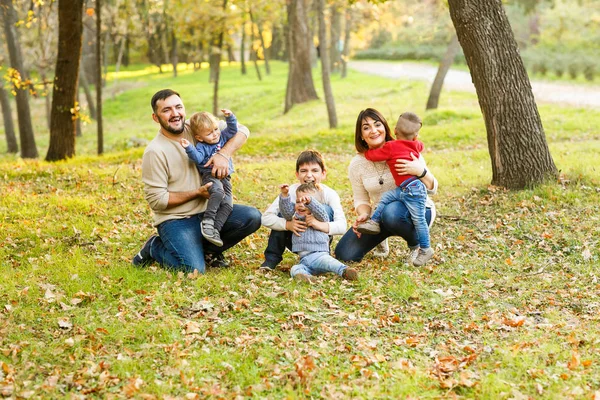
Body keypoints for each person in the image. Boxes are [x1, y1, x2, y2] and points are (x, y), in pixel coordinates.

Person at [132, 89, 261, 273]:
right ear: (155, 117)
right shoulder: (155, 151)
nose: (175, 113)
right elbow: (157, 201)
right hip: (177, 220)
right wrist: (197, 193)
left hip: (209, 212)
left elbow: (242, 130)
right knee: (193, 270)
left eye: (178, 107)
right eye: (167, 110)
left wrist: (223, 154)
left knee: (252, 217)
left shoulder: (196, 129)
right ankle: (155, 246)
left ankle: (209, 251)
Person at [334, 108, 438, 265]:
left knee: (392, 211)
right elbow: (361, 198)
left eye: (377, 125)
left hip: (416, 211)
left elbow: (432, 188)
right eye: (366, 127)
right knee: (344, 253)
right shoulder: (357, 164)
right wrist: (363, 215)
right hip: (381, 215)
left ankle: (417, 246)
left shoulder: (405, 148)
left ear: (386, 128)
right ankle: (380, 239)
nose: (373, 130)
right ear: (361, 135)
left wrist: (421, 171)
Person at [260, 150, 347, 270]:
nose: (309, 175)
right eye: (304, 171)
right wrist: (287, 225)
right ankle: (271, 260)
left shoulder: (329, 194)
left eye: (315, 170)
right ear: (297, 174)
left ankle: (319, 255)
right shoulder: (290, 191)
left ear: (323, 173)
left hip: (318, 241)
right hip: (295, 238)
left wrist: (318, 224)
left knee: (325, 209)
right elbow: (266, 218)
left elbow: (342, 225)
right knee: (283, 211)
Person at [179, 109, 238, 247]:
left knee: (228, 205)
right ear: (199, 137)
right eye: (209, 133)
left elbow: (233, 130)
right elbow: (198, 158)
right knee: (218, 193)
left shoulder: (222, 137)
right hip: (210, 176)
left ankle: (214, 230)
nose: (215, 134)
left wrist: (230, 117)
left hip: (225, 178)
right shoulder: (202, 146)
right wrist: (189, 148)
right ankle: (208, 221)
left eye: (216, 129)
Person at [279, 183, 358, 282]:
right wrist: (285, 195)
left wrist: (310, 202)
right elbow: (286, 213)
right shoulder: (296, 217)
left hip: (319, 255)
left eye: (305, 202)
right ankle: (306, 277)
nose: (301, 205)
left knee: (330, 263)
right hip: (304, 259)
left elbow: (319, 210)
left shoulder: (320, 216)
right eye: (298, 201)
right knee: (295, 269)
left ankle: (344, 271)